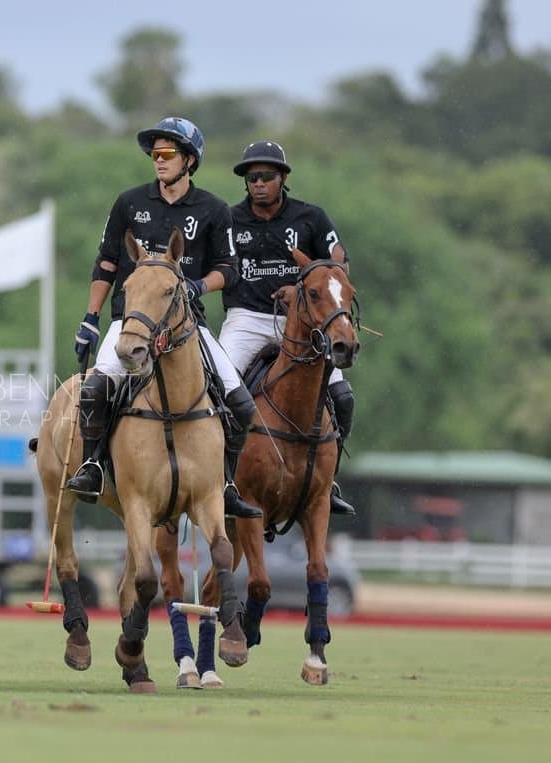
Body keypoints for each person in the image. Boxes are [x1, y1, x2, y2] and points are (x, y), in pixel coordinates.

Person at [65, 116, 262, 518]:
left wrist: (197, 287)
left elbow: (228, 269)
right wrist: (91, 317)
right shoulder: (129, 203)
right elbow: (105, 264)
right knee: (95, 390)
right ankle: (91, 466)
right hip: (131, 322)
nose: (158, 160)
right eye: (155, 153)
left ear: (190, 160)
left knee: (241, 404)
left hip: (187, 328)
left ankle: (224, 483)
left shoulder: (213, 209)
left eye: (167, 153)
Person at [219, 140, 356, 515]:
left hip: (302, 321)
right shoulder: (229, 220)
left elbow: (337, 267)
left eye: (266, 176)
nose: (258, 183)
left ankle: (330, 481)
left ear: (283, 178)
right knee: (218, 389)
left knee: (342, 397)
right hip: (246, 318)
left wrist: (299, 290)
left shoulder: (311, 218)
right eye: (252, 177)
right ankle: (223, 481)